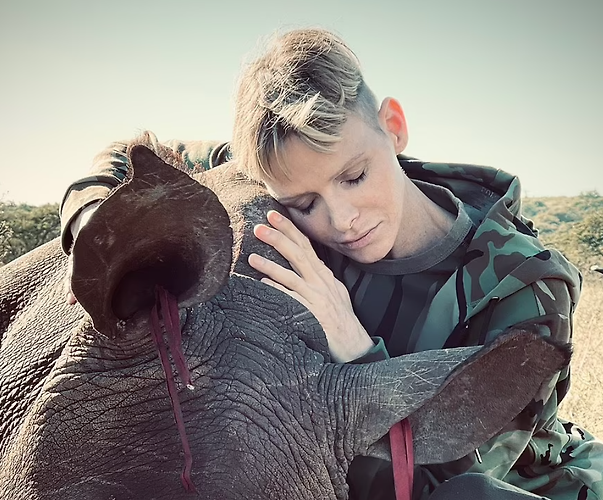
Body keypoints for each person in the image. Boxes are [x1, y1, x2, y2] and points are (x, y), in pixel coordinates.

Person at [59, 28, 603, 499]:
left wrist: (355, 348)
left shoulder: (526, 291)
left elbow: (435, 485)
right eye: (303, 204)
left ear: (393, 125)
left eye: (354, 177)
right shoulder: (288, 157)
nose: (341, 220)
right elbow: (135, 151)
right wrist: (89, 218)